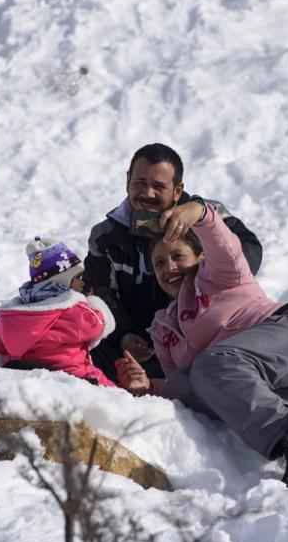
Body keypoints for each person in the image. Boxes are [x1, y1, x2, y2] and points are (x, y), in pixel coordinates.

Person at [114, 201, 288, 486]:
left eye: (177, 256)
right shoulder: (163, 330)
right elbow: (189, 391)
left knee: (211, 364)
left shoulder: (220, 275)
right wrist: (149, 387)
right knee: (182, 384)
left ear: (199, 257)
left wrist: (200, 213)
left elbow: (225, 244)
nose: (169, 267)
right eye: (159, 263)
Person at [84, 143, 263, 384]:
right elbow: (100, 291)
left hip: (206, 335)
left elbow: (250, 253)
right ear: (128, 181)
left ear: (177, 190)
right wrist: (124, 334)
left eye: (159, 186)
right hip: (139, 347)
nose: (147, 194)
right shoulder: (105, 235)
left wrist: (199, 217)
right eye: (140, 183)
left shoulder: (205, 213)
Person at [0, 237, 117, 386]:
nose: (82, 283)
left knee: (16, 367)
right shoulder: (76, 313)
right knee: (116, 395)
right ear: (63, 282)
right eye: (77, 278)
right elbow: (101, 324)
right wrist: (93, 302)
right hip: (75, 381)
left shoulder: (12, 316)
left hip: (25, 378)